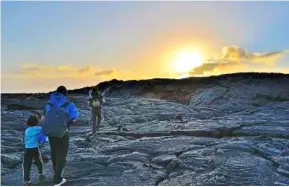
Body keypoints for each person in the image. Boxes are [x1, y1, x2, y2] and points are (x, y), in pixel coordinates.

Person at [42, 86, 79, 186]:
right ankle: (57, 177)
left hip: (51, 132)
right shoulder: (69, 105)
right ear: (65, 94)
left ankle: (55, 171)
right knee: (62, 154)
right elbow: (74, 119)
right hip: (63, 133)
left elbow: (44, 117)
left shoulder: (49, 103)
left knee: (54, 152)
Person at [22, 115, 46, 186]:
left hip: (27, 148)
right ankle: (41, 173)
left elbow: (25, 139)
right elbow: (44, 130)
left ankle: (27, 181)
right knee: (39, 160)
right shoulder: (39, 129)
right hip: (35, 147)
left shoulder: (27, 130)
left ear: (28, 123)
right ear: (36, 122)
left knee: (26, 164)